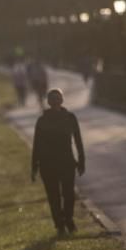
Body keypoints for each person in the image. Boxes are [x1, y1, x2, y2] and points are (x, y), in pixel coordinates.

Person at [31, 89, 85, 235]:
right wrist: (34, 166)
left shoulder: (70, 118)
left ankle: (68, 219)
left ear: (61, 100)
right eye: (52, 99)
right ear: (49, 102)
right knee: (54, 196)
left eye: (57, 98)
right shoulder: (42, 121)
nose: (55, 101)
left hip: (66, 162)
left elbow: (78, 140)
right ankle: (60, 223)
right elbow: (37, 145)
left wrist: (81, 160)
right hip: (48, 164)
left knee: (68, 195)